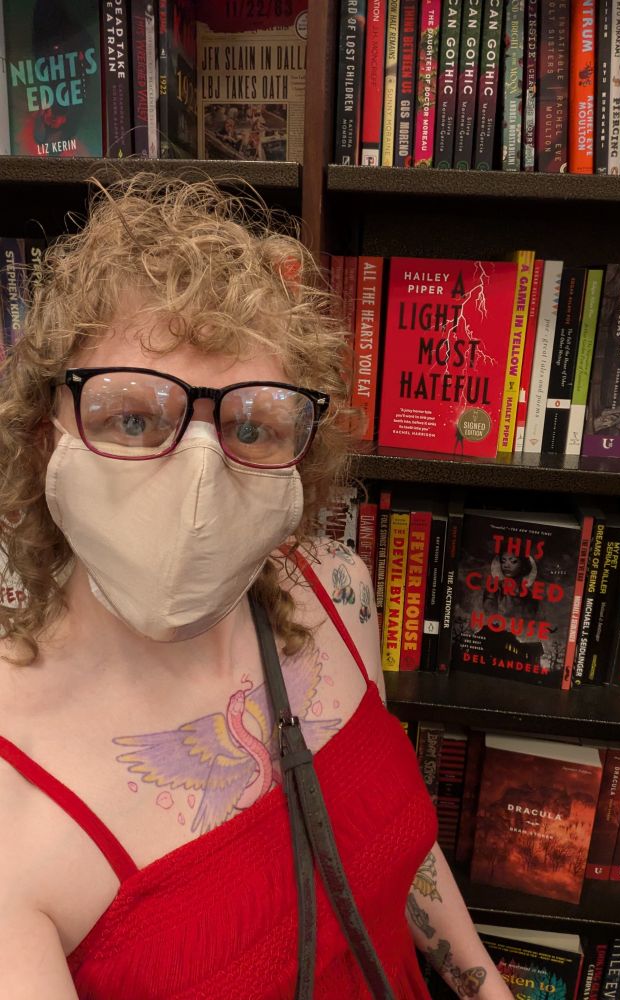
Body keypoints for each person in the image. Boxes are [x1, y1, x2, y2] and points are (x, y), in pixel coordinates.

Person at [0, 174, 514, 1000]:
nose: (199, 475)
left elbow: (391, 844)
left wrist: (485, 986)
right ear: (41, 435)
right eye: (133, 416)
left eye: (251, 425)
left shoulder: (329, 595)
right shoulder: (11, 794)